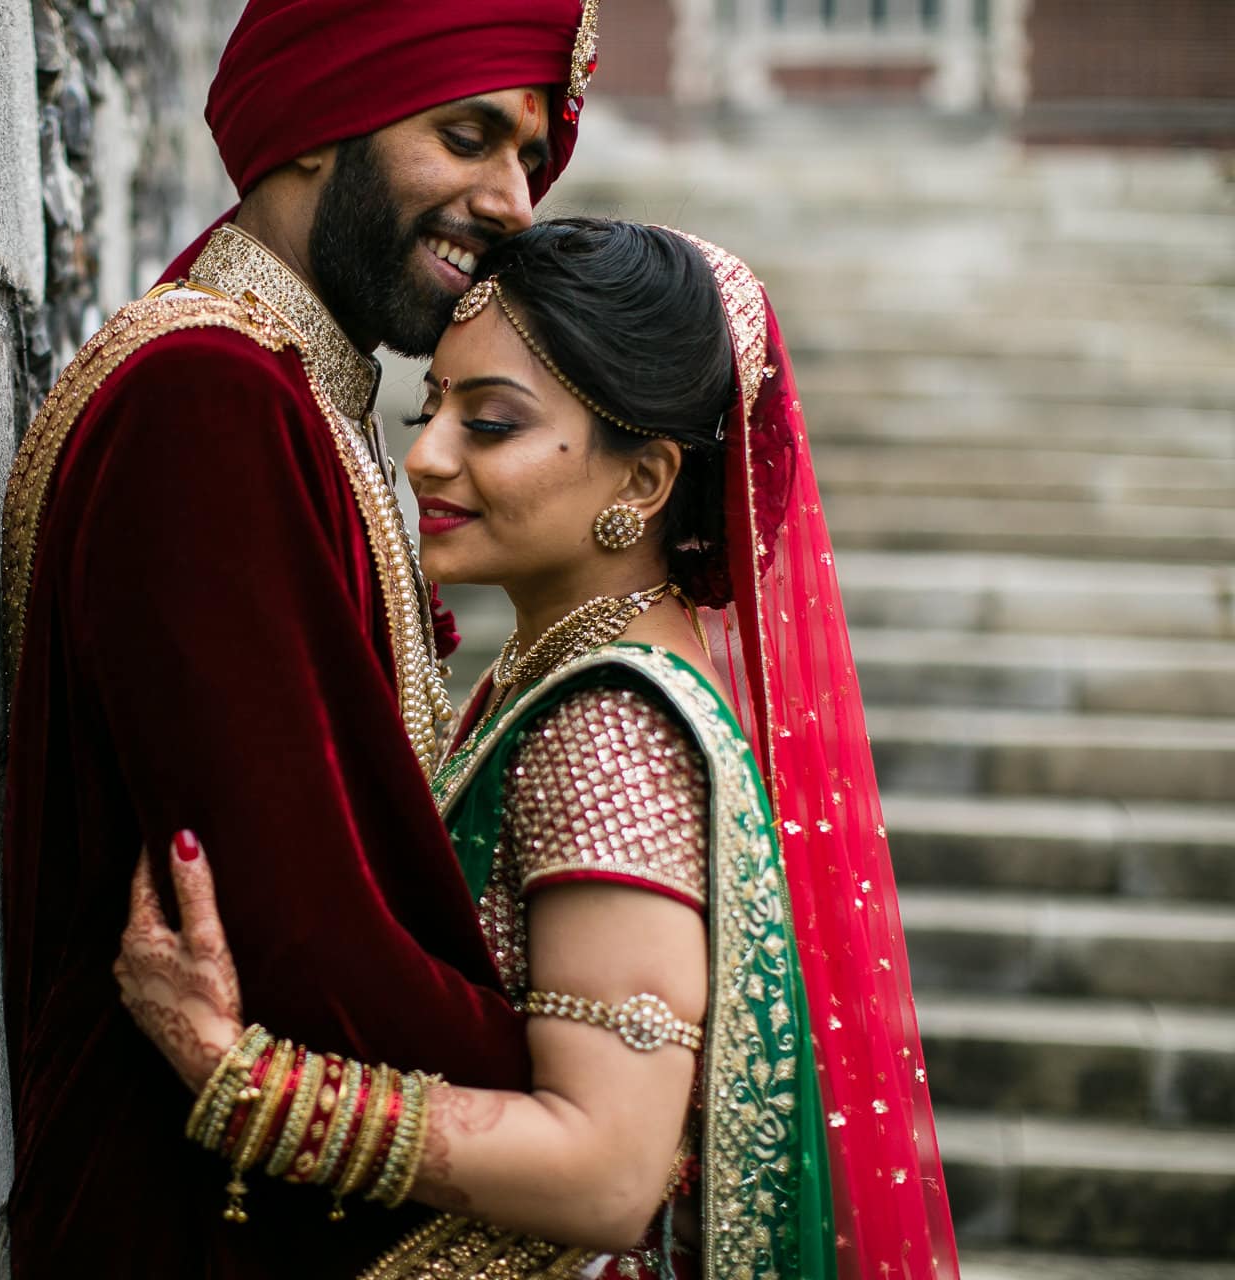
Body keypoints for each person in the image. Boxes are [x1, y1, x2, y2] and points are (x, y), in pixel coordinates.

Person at [115, 219, 961, 1279]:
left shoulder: (606, 729)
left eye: (494, 422)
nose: (426, 453)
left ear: (645, 483)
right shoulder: (560, 673)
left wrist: (243, 1079)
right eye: (432, 408)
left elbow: (608, 1168)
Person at [0, 0, 605, 1274]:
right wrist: (592, 1104)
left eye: (529, 160)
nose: (512, 203)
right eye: (467, 136)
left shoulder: (294, 393)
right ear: (323, 119)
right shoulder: (206, 399)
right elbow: (293, 943)